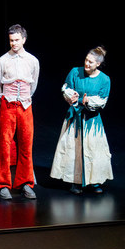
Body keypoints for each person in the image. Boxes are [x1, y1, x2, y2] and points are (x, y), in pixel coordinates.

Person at [50, 46, 113, 194]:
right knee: (73, 149)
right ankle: (75, 181)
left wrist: (88, 101)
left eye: (91, 62)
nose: (87, 64)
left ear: (98, 64)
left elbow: (102, 100)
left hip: (92, 120)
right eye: (86, 60)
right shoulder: (75, 72)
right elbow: (66, 87)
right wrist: (70, 96)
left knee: (94, 149)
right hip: (75, 117)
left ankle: (95, 180)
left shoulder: (104, 79)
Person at [0, 24, 40, 200]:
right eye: (11, 40)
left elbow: (33, 85)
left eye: (17, 40)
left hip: (25, 106)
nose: (14, 43)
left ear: (24, 39)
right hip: (8, 106)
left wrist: (24, 99)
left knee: (26, 145)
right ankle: (3, 184)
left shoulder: (33, 61)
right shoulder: (2, 61)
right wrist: (6, 102)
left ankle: (26, 183)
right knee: (4, 145)